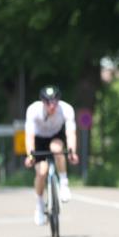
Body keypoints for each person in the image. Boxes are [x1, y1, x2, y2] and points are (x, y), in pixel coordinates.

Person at [24, 85, 78, 225]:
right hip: (39, 139)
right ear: (42, 102)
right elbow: (29, 136)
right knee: (41, 172)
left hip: (56, 135)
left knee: (57, 149)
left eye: (55, 102)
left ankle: (64, 183)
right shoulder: (33, 110)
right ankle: (40, 205)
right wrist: (30, 155)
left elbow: (70, 133)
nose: (52, 106)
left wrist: (72, 151)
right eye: (48, 102)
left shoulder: (66, 109)